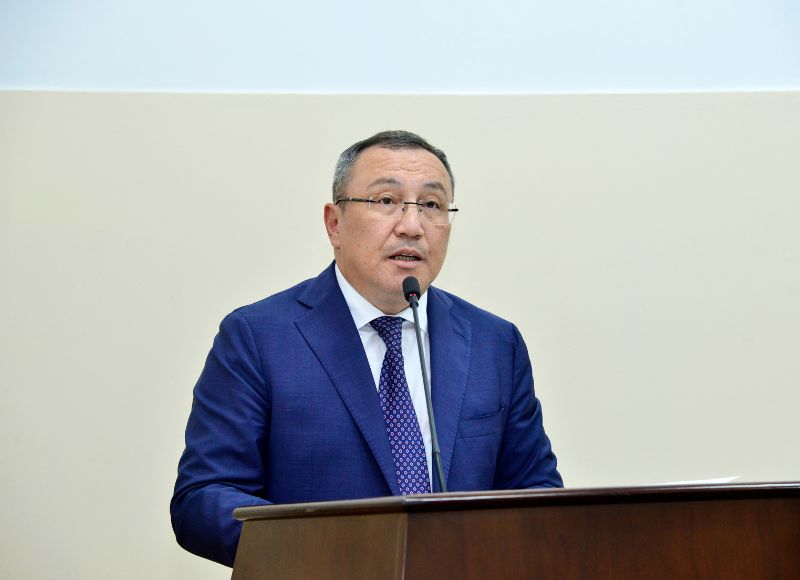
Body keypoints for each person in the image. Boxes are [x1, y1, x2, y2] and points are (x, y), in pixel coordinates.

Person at [171, 130, 562, 567]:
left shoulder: (495, 343)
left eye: (431, 205)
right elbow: (203, 498)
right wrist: (335, 552)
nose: (411, 225)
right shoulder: (258, 337)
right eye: (386, 201)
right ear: (334, 224)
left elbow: (538, 494)